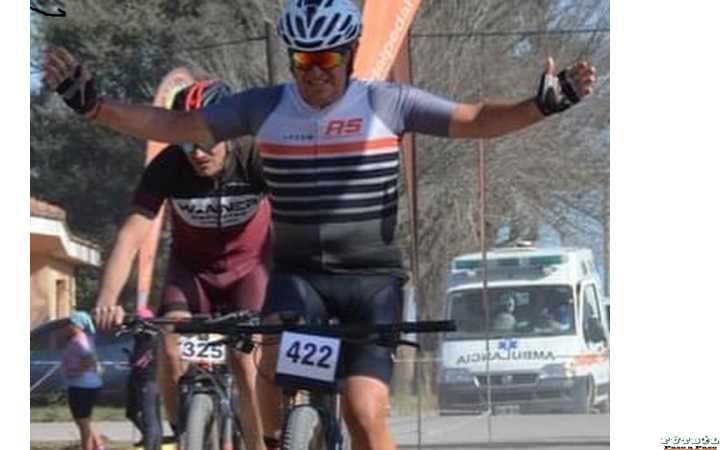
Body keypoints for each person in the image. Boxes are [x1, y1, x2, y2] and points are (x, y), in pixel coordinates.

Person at [45, 1, 597, 448]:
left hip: (370, 281)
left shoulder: (388, 102)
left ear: (351, 54)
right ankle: (272, 439)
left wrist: (540, 106)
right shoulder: (266, 107)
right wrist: (97, 108)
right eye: (303, 63)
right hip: (300, 275)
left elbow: (475, 120)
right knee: (272, 375)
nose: (314, 77)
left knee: (362, 412)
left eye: (326, 63)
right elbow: (176, 122)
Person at [89, 80, 272, 450]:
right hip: (192, 274)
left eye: (205, 142)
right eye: (186, 142)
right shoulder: (169, 166)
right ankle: (184, 433)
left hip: (249, 271)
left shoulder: (255, 157)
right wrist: (107, 298)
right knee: (170, 350)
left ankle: (258, 444)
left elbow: (300, 214)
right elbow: (130, 235)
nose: (197, 154)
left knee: (245, 360)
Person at [60, 311, 105, 450]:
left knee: (82, 422)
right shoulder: (83, 338)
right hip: (82, 385)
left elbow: (90, 360)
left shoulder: (80, 340)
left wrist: (73, 372)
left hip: (82, 386)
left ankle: (87, 447)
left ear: (77, 325)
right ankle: (99, 446)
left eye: (71, 323)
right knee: (85, 420)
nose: (68, 326)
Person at [125, 306, 162, 450]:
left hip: (149, 380)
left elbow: (141, 360)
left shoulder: (151, 337)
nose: (136, 326)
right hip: (138, 378)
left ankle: (152, 444)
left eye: (138, 322)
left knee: (150, 419)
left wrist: (133, 360)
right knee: (132, 412)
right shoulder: (140, 337)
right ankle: (149, 438)